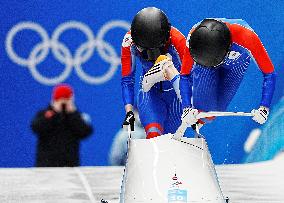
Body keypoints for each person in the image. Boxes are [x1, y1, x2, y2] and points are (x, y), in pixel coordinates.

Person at [179, 18, 276, 127]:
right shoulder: (193, 38)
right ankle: (194, 117)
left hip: (237, 65)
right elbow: (184, 75)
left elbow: (270, 74)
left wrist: (264, 108)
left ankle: (199, 120)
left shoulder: (248, 38)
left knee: (213, 113)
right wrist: (186, 107)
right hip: (204, 64)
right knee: (204, 108)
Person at [121, 7, 186, 138]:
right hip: (150, 95)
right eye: (145, 50)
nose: (151, 55)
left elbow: (189, 76)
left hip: (175, 97)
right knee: (153, 136)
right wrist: (129, 112)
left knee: (170, 140)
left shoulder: (179, 41)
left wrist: (188, 105)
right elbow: (127, 79)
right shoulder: (129, 42)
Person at [31, 84, 93, 167]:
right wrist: (54, 112)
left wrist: (73, 114)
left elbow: (85, 132)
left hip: (70, 165)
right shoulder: (45, 114)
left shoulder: (76, 115)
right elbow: (36, 128)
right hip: (46, 166)